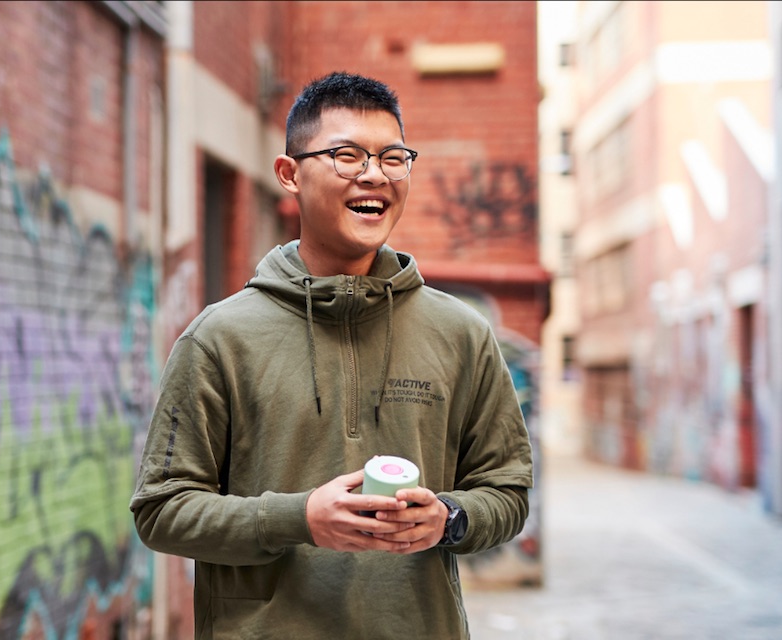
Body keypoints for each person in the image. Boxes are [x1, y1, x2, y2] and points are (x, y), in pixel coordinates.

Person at [130, 71, 533, 639]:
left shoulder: (462, 333)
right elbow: (161, 510)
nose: (374, 174)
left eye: (393, 158)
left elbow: (508, 490)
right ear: (289, 175)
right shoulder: (219, 337)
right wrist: (298, 519)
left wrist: (449, 518)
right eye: (347, 155)